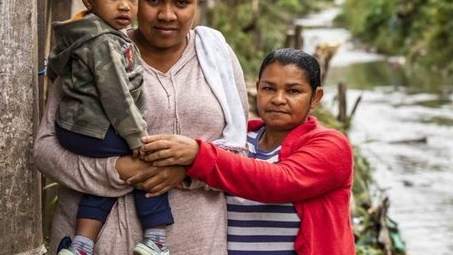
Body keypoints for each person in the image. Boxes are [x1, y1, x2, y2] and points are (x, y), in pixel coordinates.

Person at [34, 0, 248, 254]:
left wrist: (190, 170)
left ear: (196, 1)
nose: (167, 15)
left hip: (196, 242)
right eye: (152, 0)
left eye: (182, 2)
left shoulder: (217, 58)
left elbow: (241, 157)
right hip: (98, 245)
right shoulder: (94, 51)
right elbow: (44, 150)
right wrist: (117, 170)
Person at [138, 48, 356, 255]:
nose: (278, 99)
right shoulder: (237, 140)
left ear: (316, 97)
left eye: (293, 91)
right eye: (269, 88)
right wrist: (186, 170)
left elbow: (280, 182)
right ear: (258, 87)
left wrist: (197, 155)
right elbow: (221, 173)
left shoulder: (331, 145)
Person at [46, 0, 173, 255]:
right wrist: (135, 138)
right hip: (94, 128)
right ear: (88, 0)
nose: (125, 6)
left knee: (107, 178)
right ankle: (155, 237)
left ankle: (81, 244)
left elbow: (53, 69)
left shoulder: (80, 35)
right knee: (149, 164)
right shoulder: (104, 41)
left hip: (75, 127)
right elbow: (116, 95)